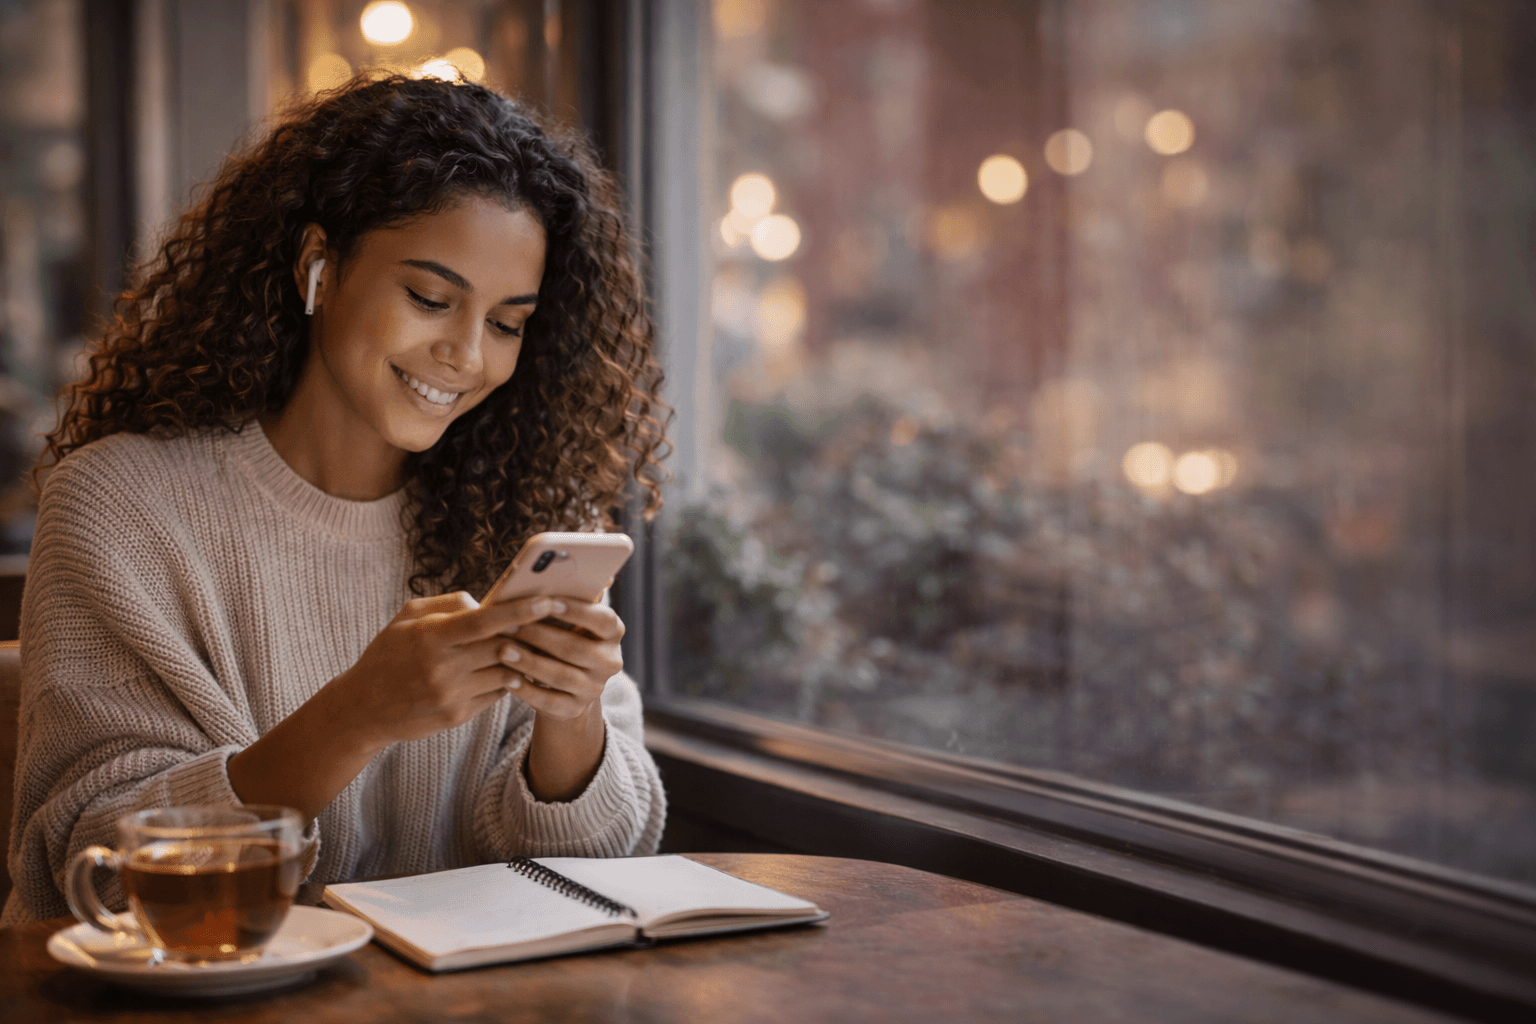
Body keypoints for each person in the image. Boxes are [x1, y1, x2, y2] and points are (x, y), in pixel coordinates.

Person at [2, 75, 670, 923]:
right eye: (429, 298)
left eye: (508, 323)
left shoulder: (527, 511)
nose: (467, 354)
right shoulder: (121, 507)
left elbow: (610, 865)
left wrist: (569, 720)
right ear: (318, 264)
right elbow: (87, 867)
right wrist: (354, 717)